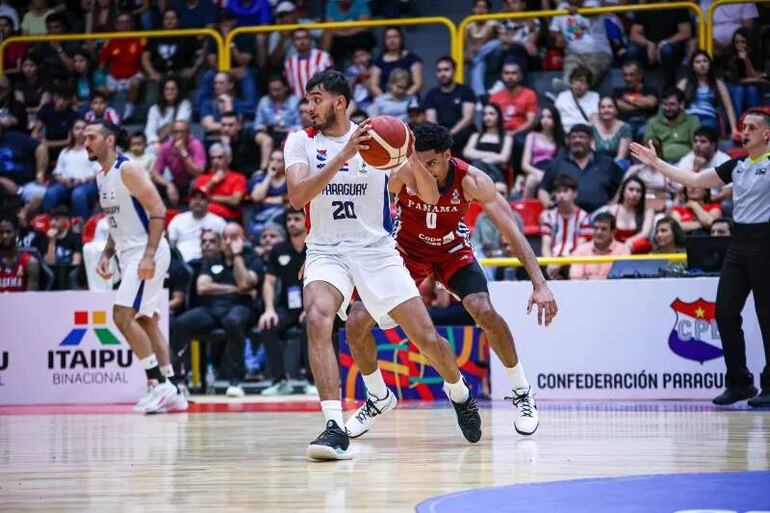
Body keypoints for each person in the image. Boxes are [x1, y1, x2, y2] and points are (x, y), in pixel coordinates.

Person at [284, 70, 482, 460]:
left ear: (339, 102)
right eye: (308, 99)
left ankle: (459, 392)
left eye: (317, 98)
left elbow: (428, 193)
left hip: (375, 250)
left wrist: (407, 153)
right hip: (326, 250)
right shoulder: (300, 143)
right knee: (318, 317)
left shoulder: (380, 140)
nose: (310, 107)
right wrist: (342, 156)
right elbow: (297, 197)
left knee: (427, 339)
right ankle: (333, 426)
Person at [345, 122, 557, 439]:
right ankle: (377, 397)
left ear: (447, 155)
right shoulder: (403, 172)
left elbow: (511, 232)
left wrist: (539, 284)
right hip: (405, 252)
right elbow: (368, 217)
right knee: (357, 320)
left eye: (430, 163)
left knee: (484, 311)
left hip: (451, 251)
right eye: (418, 162)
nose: (424, 171)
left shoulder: (472, 180)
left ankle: (522, 392)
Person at [630, 110, 770, 407]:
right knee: (725, 313)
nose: (744, 132)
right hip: (738, 243)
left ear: (766, 135)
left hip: (765, 242)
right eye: (743, 127)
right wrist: (656, 163)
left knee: (767, 316)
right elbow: (693, 178)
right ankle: (740, 382)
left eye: (752, 128)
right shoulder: (737, 165)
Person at [87, 120, 187, 414]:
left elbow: (158, 210)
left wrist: (149, 255)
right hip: (128, 252)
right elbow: (118, 225)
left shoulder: (127, 169)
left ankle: (158, 384)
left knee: (122, 315)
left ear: (109, 140)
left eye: (91, 136)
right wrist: (106, 253)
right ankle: (173, 387)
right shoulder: (100, 177)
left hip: (147, 251)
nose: (85, 141)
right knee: (145, 320)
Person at [171, 224, 260, 398]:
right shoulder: (213, 260)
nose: (228, 242)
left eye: (233, 237)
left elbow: (244, 282)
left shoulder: (251, 259)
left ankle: (235, 381)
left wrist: (237, 256)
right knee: (181, 323)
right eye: (225, 237)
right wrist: (233, 289)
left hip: (240, 307)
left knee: (233, 322)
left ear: (243, 239)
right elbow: (202, 287)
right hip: (211, 308)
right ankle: (179, 379)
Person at [257, 208, 312, 396]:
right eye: (288, 219)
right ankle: (280, 381)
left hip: (314, 305)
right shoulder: (279, 249)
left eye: (297, 219)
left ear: (306, 221)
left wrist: (310, 308)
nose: (291, 223)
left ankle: (312, 380)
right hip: (288, 306)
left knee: (311, 323)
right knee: (268, 325)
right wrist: (269, 309)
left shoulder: (316, 245)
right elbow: (269, 281)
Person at [539, 124, 623, 213]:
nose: (577, 140)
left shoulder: (606, 163)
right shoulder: (558, 162)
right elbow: (543, 189)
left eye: (582, 137)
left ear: (591, 140)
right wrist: (550, 208)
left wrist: (611, 207)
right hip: (565, 217)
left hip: (599, 220)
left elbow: (622, 186)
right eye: (573, 137)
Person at [41, 119, 101, 220]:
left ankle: (80, 226)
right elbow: (57, 172)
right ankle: (46, 222)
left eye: (83, 128)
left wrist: (81, 180)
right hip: (66, 183)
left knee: (78, 194)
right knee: (51, 192)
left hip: (87, 184)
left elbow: (98, 172)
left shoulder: (93, 149)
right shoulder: (65, 151)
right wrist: (63, 179)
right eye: (77, 128)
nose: (80, 131)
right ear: (72, 132)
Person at [627, 1, 692, 88]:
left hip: (672, 48)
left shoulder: (678, 5)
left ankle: (669, 89)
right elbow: (634, 34)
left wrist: (663, 44)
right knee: (632, 50)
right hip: (650, 50)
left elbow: (686, 32)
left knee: (667, 50)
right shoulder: (644, 6)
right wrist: (649, 44)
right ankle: (636, 87)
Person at [549, 0, 613, 88]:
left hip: (599, 51)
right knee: (570, 66)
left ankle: (573, 89)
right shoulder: (562, 6)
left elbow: (591, 12)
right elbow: (553, 30)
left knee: (591, 70)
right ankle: (567, 84)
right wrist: (558, 35)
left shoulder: (593, 2)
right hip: (574, 52)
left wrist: (578, 9)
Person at [539, 174, 591, 279]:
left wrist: (561, 263)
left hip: (574, 262)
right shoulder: (548, 216)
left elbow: (580, 248)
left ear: (575, 194)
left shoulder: (584, 217)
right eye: (558, 192)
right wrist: (550, 263)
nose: (561, 195)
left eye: (565, 191)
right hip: (552, 261)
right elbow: (545, 245)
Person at [424, 56, 476, 156]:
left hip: (461, 134)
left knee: (469, 131)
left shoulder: (466, 91)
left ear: (454, 71)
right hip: (440, 134)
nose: (443, 74)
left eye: (446, 70)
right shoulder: (431, 94)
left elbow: (468, 118)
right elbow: (431, 120)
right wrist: (443, 135)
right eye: (439, 70)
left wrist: (450, 134)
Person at [676, 50, 736, 135]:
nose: (702, 64)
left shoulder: (718, 83)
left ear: (709, 64)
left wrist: (734, 129)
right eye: (698, 62)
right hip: (689, 118)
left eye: (705, 61)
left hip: (708, 118)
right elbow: (674, 103)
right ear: (693, 66)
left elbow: (729, 107)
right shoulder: (684, 83)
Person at [167, 187, 226, 263]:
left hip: (209, 263)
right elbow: (171, 245)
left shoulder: (218, 221)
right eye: (194, 198)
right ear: (189, 201)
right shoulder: (178, 219)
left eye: (201, 199)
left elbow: (223, 245)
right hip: (182, 263)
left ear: (208, 202)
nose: (197, 202)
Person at [462, 103, 512, 194]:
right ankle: (486, 184)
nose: (487, 117)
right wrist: (492, 156)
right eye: (485, 114)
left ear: (499, 117)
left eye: (491, 114)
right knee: (478, 164)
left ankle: (484, 184)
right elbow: (466, 152)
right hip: (477, 172)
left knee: (478, 163)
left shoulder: (506, 138)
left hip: (495, 172)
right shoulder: (476, 136)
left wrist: (477, 155)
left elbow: (504, 158)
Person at [152, 120, 206, 203]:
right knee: (155, 184)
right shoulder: (166, 147)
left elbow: (198, 173)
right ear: (171, 134)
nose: (179, 135)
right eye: (175, 132)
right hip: (176, 182)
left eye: (182, 132)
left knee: (197, 183)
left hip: (192, 182)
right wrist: (168, 185)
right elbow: (155, 173)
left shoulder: (196, 145)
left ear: (188, 134)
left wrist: (183, 151)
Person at [595, 176, 654, 253]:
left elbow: (645, 233)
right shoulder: (611, 210)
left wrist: (629, 242)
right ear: (623, 191)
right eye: (631, 189)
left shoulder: (648, 212)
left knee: (643, 244)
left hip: (636, 250)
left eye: (638, 191)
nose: (634, 194)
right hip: (613, 251)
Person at [192, 143, 247, 222]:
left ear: (229, 159)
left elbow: (235, 201)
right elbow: (197, 199)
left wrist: (209, 198)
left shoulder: (238, 178)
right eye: (212, 158)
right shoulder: (202, 178)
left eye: (220, 157)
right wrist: (212, 182)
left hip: (227, 219)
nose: (215, 161)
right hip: (204, 219)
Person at [644, 88, 700, 164]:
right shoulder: (653, 122)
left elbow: (696, 145)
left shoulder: (692, 120)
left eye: (672, 104)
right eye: (664, 104)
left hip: (687, 162)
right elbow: (648, 145)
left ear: (682, 104)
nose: (667, 108)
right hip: (661, 162)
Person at [721, 28, 767, 120]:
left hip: (748, 84)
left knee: (751, 90)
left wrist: (746, 60)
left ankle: (756, 121)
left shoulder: (755, 54)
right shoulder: (728, 55)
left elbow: (755, 75)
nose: (740, 45)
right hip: (731, 84)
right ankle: (737, 123)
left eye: (743, 42)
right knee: (739, 90)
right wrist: (740, 61)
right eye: (737, 42)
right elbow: (735, 79)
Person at [569, 212, 631, 280]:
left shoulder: (623, 250)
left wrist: (589, 278)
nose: (599, 232)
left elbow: (621, 279)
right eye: (595, 228)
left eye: (604, 229)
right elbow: (575, 278)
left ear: (613, 231)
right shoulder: (581, 249)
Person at [521, 106, 564, 198]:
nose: (545, 120)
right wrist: (539, 173)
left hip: (552, 170)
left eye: (549, 117)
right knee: (531, 181)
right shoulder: (532, 136)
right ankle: (526, 209)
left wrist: (548, 175)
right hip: (535, 170)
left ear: (555, 120)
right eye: (543, 117)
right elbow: (524, 165)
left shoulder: (560, 140)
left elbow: (561, 162)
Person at [612, 60, 659, 140]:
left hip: (645, 124)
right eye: (625, 75)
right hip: (625, 124)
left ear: (640, 75)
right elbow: (618, 105)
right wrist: (642, 105)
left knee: (645, 132)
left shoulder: (650, 90)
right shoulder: (617, 91)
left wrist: (628, 99)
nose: (627, 78)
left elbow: (651, 103)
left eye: (632, 75)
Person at [370, 27, 423, 97]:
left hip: (408, 99)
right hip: (385, 101)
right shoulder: (378, 61)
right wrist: (386, 99)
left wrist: (403, 98)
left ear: (401, 39)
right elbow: (374, 86)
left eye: (395, 36)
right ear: (384, 40)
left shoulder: (412, 59)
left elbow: (418, 83)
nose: (392, 40)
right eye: (388, 37)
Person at [488, 62, 537, 136]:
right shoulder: (494, 97)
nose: (510, 76)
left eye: (514, 73)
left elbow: (531, 122)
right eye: (506, 73)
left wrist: (513, 133)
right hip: (500, 133)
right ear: (502, 76)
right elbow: (490, 120)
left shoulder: (529, 94)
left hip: (521, 133)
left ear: (520, 76)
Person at [144, 77, 192, 152]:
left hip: (178, 142)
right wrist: (157, 141)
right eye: (167, 89)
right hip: (158, 143)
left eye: (173, 89)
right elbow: (150, 131)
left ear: (178, 91)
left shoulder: (185, 104)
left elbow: (178, 126)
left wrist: (166, 131)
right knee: (150, 149)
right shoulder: (154, 109)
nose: (169, 92)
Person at [284, 29, 333, 98]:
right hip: (298, 103)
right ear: (293, 42)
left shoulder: (324, 57)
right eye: (298, 39)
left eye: (305, 37)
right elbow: (290, 85)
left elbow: (332, 81)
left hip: (322, 99)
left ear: (310, 39)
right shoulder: (289, 62)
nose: (302, 41)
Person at [554, 66, 600, 133]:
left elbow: (595, 120)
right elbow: (555, 117)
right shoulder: (562, 96)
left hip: (585, 133)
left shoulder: (594, 97)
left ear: (588, 84)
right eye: (576, 80)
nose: (578, 84)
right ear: (571, 82)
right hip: (563, 132)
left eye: (582, 81)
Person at [0, 216, 40, 291]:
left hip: (21, 302)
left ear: (16, 233)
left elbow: (31, 298)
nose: (4, 236)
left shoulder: (30, 262)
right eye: (1, 233)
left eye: (8, 232)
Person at [592, 97, 631, 170]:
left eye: (610, 107)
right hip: (597, 165)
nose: (606, 110)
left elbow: (621, 156)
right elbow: (593, 154)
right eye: (602, 107)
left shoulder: (625, 127)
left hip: (618, 165)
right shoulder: (593, 128)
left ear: (616, 110)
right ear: (599, 111)